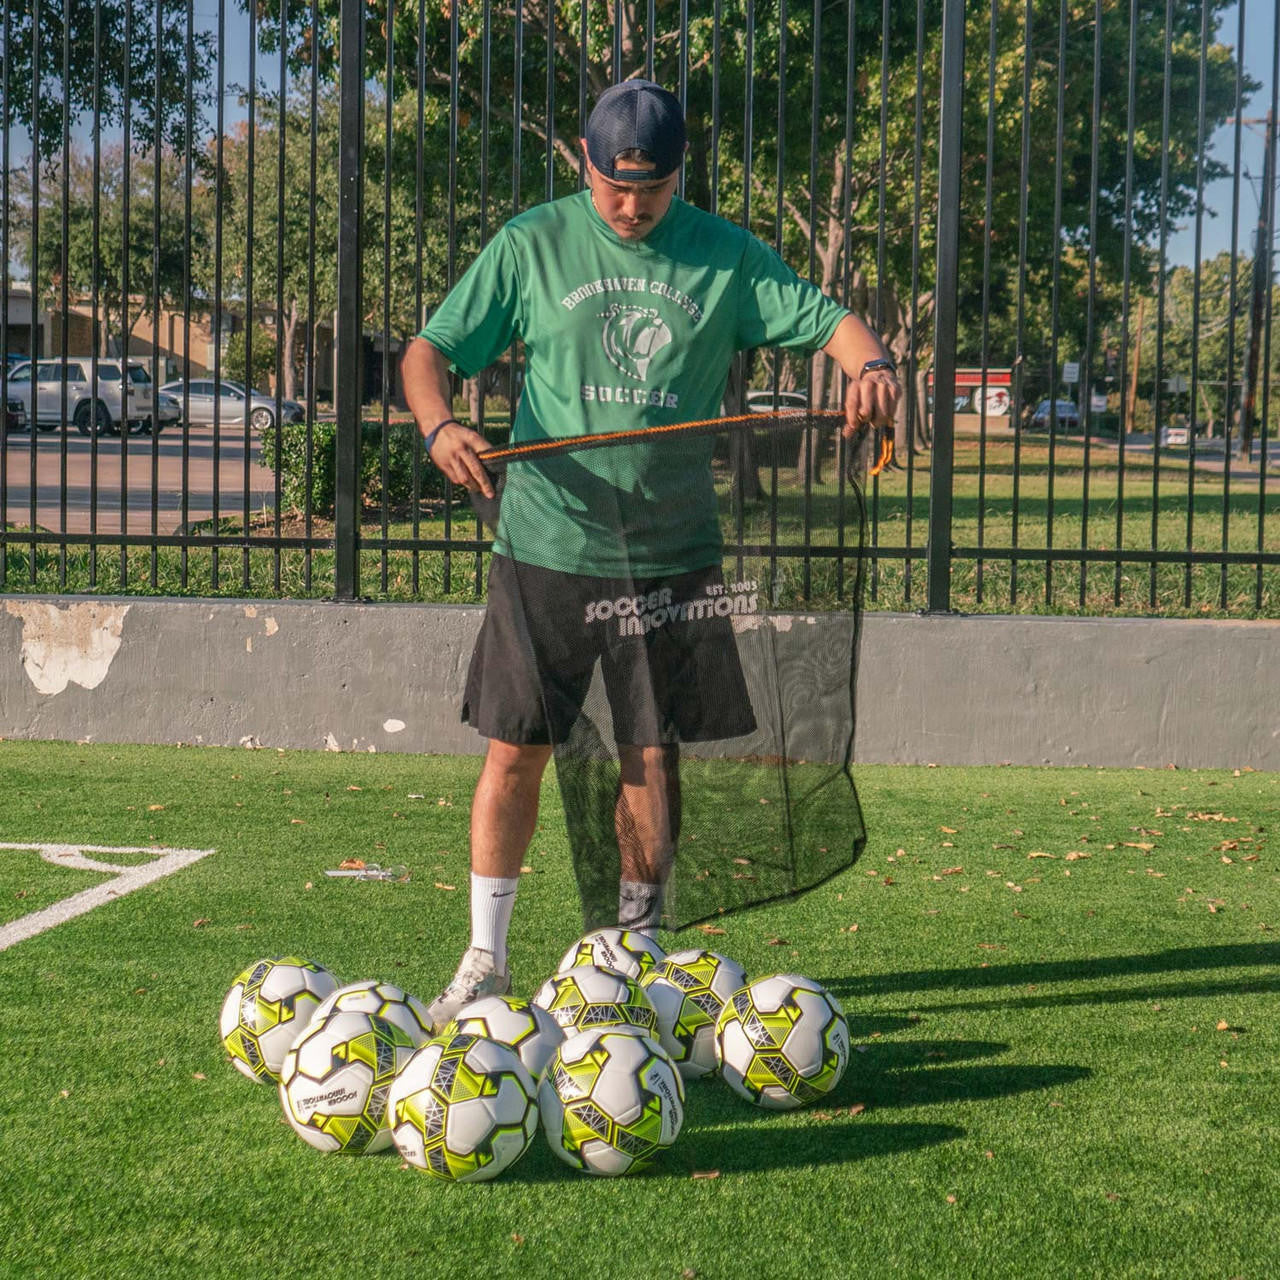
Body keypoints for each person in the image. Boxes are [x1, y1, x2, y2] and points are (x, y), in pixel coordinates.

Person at [402, 78, 901, 1028]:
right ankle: (485, 958)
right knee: (517, 751)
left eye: (653, 190)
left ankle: (633, 945)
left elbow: (831, 322)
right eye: (614, 187)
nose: (631, 207)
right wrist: (439, 428)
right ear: (585, 164)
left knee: (649, 753)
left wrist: (869, 364)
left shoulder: (724, 254)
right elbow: (428, 352)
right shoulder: (531, 244)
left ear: (679, 176)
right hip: (547, 541)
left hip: (671, 551)